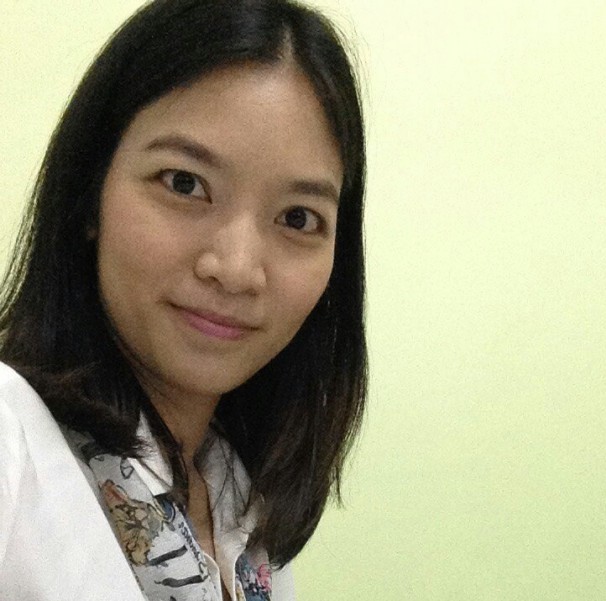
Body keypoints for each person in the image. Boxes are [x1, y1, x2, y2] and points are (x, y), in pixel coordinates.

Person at [0, 0, 367, 599]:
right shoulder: (10, 444)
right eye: (184, 184)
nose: (237, 269)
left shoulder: (240, 511)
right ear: (90, 190)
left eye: (297, 218)